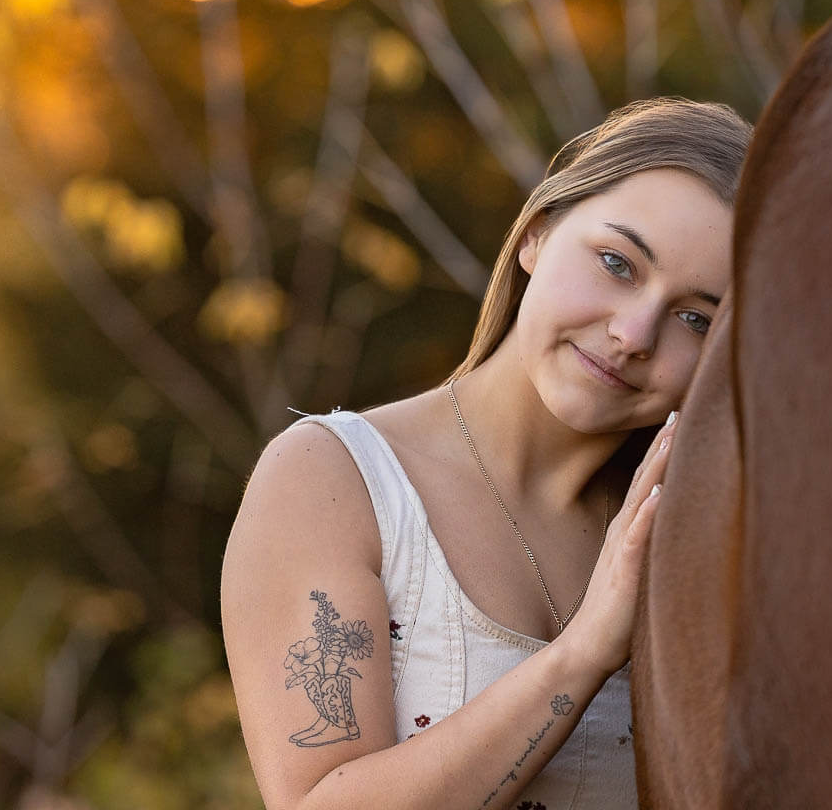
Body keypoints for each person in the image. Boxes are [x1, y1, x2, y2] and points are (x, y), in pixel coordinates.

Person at [221, 97, 752, 809]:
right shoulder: (334, 481)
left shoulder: (704, 537)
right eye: (616, 263)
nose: (633, 332)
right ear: (535, 236)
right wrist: (587, 652)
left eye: (695, 317)